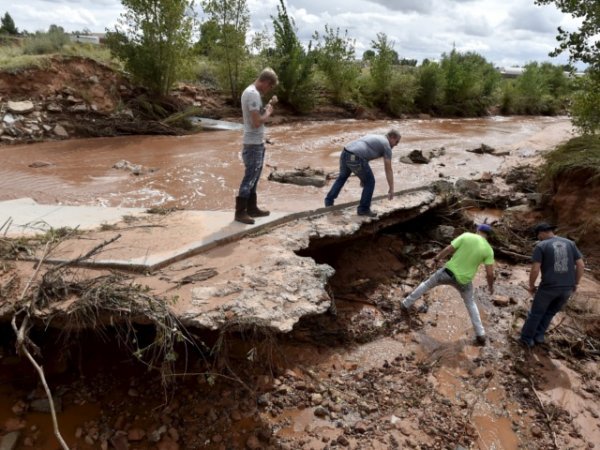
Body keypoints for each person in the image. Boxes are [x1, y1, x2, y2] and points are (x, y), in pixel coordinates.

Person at [400, 224, 495, 345]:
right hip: (464, 281)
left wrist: (436, 258)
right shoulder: (489, 250)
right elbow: (490, 274)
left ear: (478, 230)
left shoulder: (466, 236)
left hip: (448, 272)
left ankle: (405, 303)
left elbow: (449, 249)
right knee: (471, 304)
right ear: (488, 236)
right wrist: (491, 286)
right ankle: (480, 334)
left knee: (427, 285)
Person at [519, 223, 585, 348]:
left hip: (549, 287)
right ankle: (539, 336)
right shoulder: (570, 243)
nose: (538, 238)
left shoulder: (541, 246)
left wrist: (531, 285)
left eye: (538, 235)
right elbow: (581, 265)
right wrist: (576, 283)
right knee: (550, 312)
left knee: (536, 313)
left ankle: (526, 339)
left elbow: (535, 269)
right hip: (567, 288)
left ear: (542, 232)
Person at [235, 68, 279, 225]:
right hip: (253, 144)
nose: (269, 90)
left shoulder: (253, 93)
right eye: (270, 86)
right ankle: (240, 213)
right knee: (249, 178)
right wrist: (268, 113)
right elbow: (256, 121)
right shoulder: (253, 94)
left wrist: (266, 108)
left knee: (254, 177)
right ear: (266, 82)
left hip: (256, 142)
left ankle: (252, 208)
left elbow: (256, 116)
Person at [324, 130, 401, 217]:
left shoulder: (377, 137)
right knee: (370, 182)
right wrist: (391, 188)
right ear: (392, 137)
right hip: (355, 156)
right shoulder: (386, 146)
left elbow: (365, 154)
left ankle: (328, 202)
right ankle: (363, 209)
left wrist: (362, 177)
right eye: (397, 141)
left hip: (345, 152)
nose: (396, 144)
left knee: (342, 177)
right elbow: (388, 169)